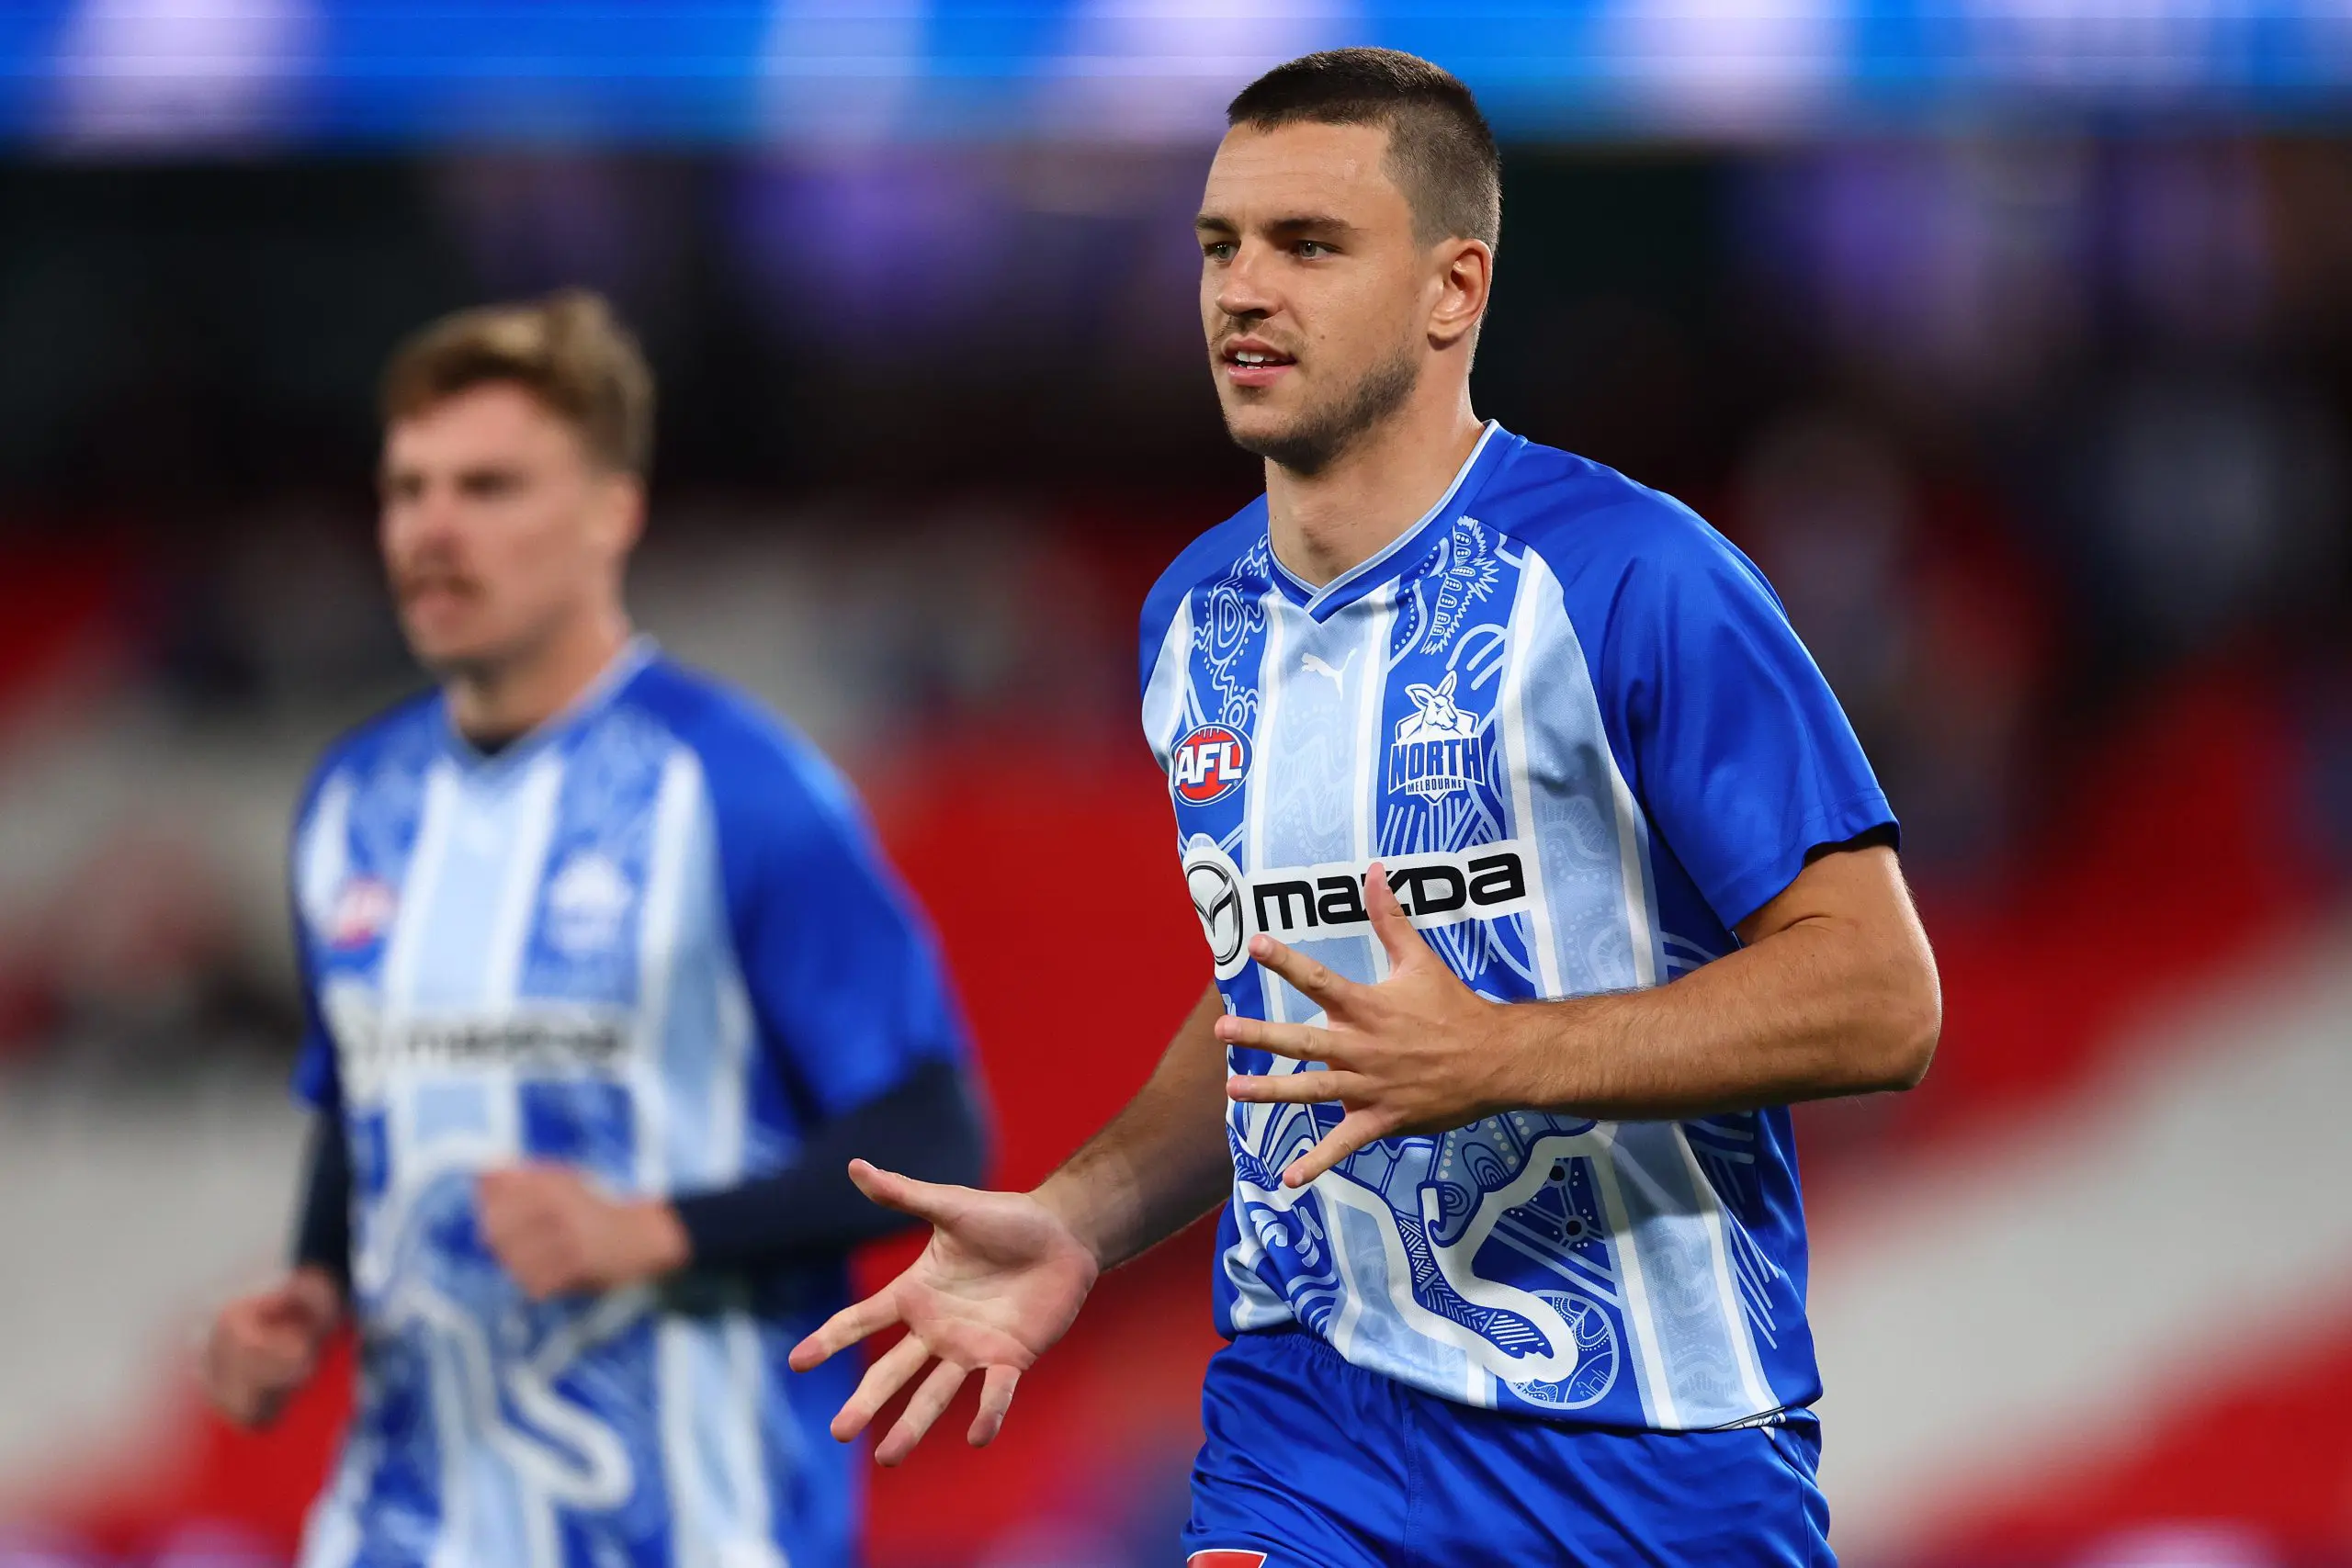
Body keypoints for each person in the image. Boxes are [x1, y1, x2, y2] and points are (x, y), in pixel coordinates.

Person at [789, 48, 1939, 1566]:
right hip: (1307, 1434)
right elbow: (1281, 1001)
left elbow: (1881, 996)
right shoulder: (1188, 623)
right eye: (1220, 245)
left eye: (1309, 246)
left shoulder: (1633, 578)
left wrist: (1504, 1053)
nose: (1242, 290)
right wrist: (1080, 1214)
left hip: (1647, 1463)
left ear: (1453, 289)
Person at [198, 290, 987, 1568]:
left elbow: (931, 1126)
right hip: (405, 1525)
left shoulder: (737, 789)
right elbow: (365, 1105)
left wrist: (656, 1229)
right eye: (409, 489)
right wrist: (311, 1288)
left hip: (697, 1521)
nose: (432, 530)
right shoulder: (353, 803)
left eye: (491, 487)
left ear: (612, 512)